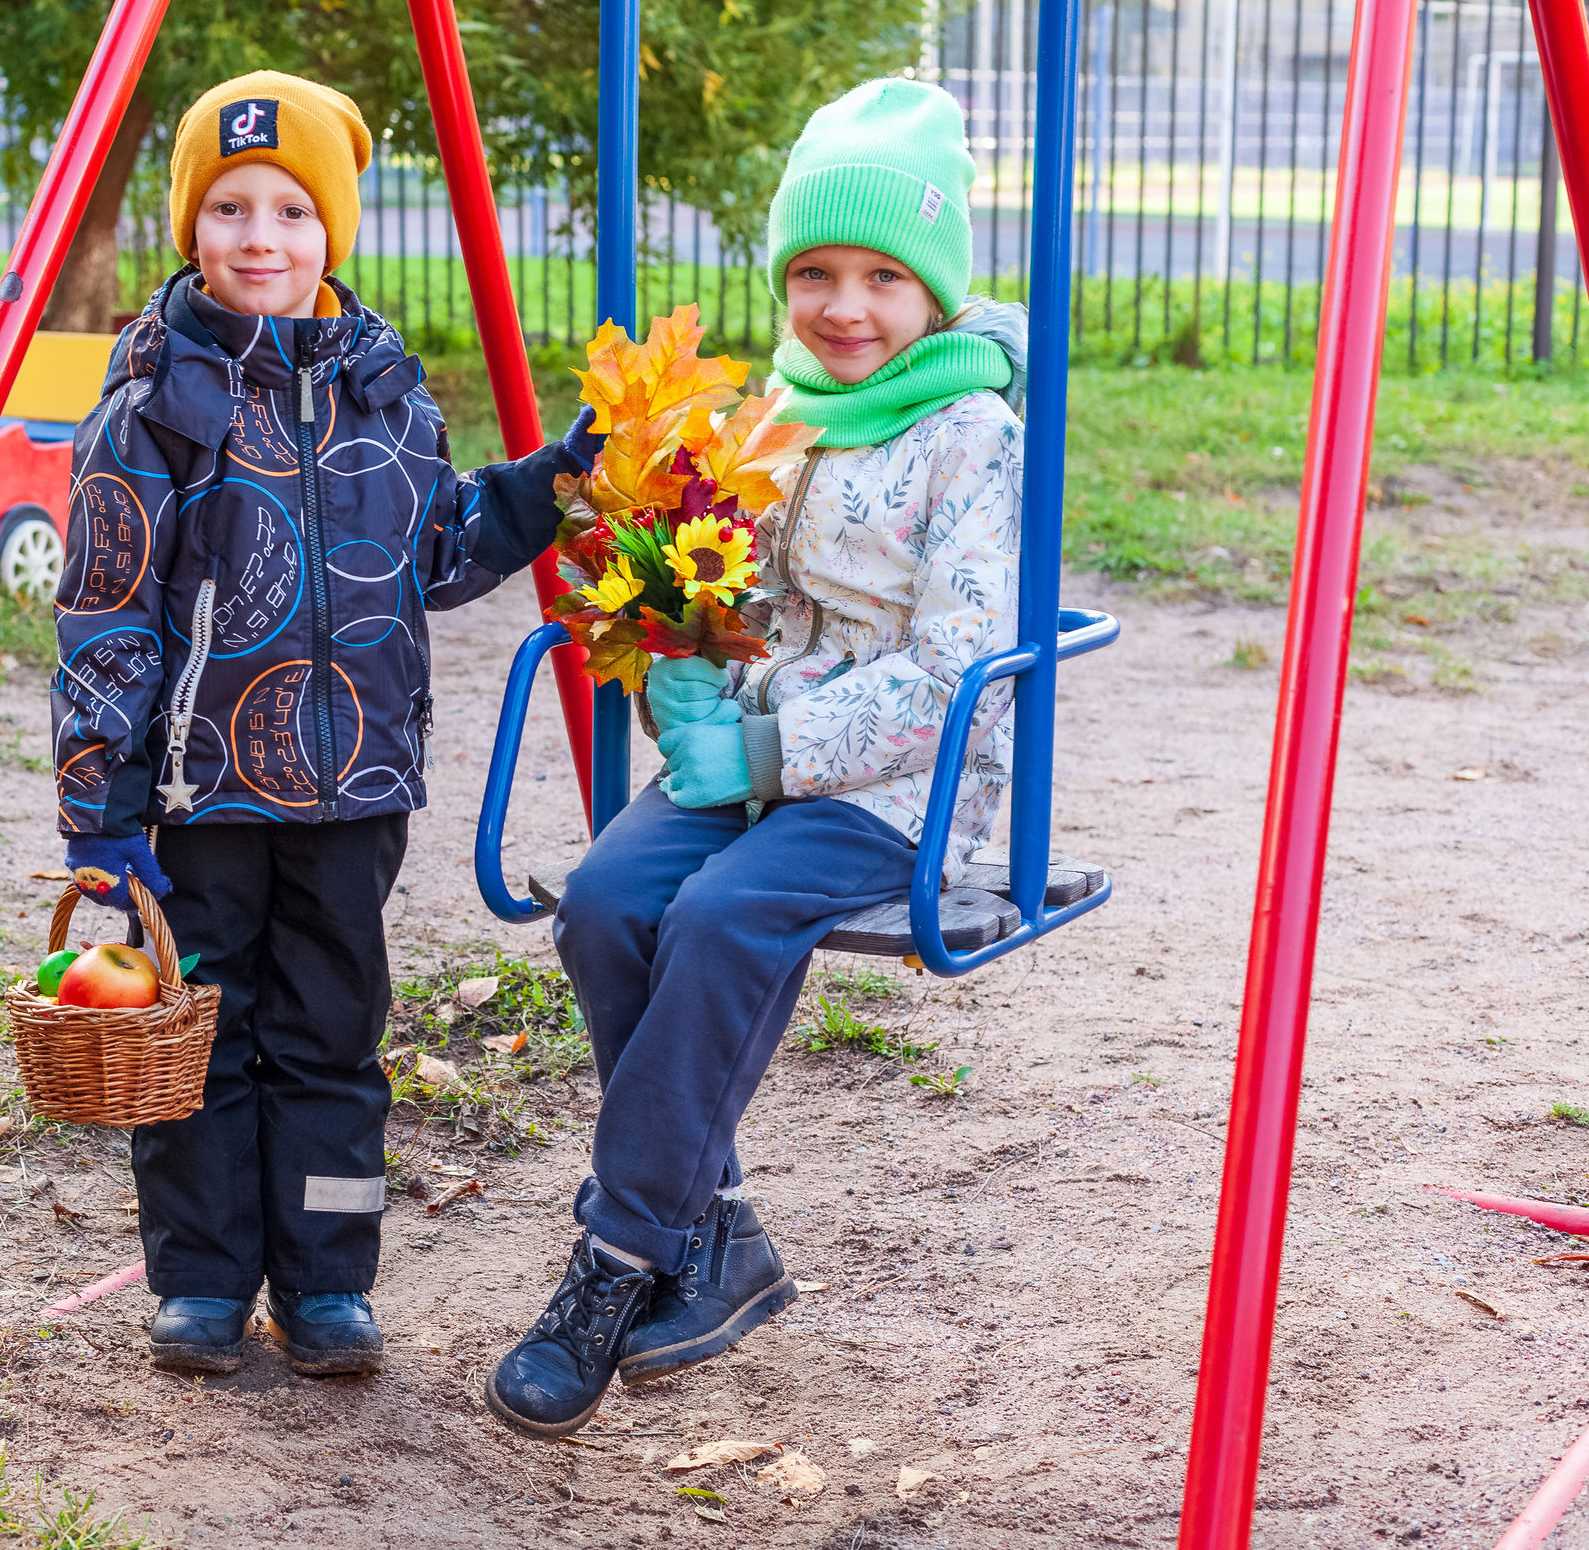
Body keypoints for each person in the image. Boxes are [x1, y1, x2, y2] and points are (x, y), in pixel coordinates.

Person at [485, 78, 1030, 1437]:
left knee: (723, 918)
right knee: (608, 902)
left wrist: (776, 746)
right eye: (815, 276)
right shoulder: (779, 413)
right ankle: (713, 1230)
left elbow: (962, 666)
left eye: (881, 279)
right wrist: (690, 664)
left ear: (935, 292)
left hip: (899, 781)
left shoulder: (976, 431)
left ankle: (616, 1261)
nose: (845, 308)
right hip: (753, 750)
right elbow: (745, 597)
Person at [51, 71, 598, 1378]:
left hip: (355, 784)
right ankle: (199, 1280)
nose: (259, 237)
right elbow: (105, 613)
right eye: (229, 206)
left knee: (334, 1041)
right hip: (200, 796)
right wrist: (102, 809)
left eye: (292, 210)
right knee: (199, 1041)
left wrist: (540, 492)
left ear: (331, 231)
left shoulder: (386, 390)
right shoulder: (152, 408)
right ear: (192, 226)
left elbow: (441, 551)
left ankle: (328, 1281)